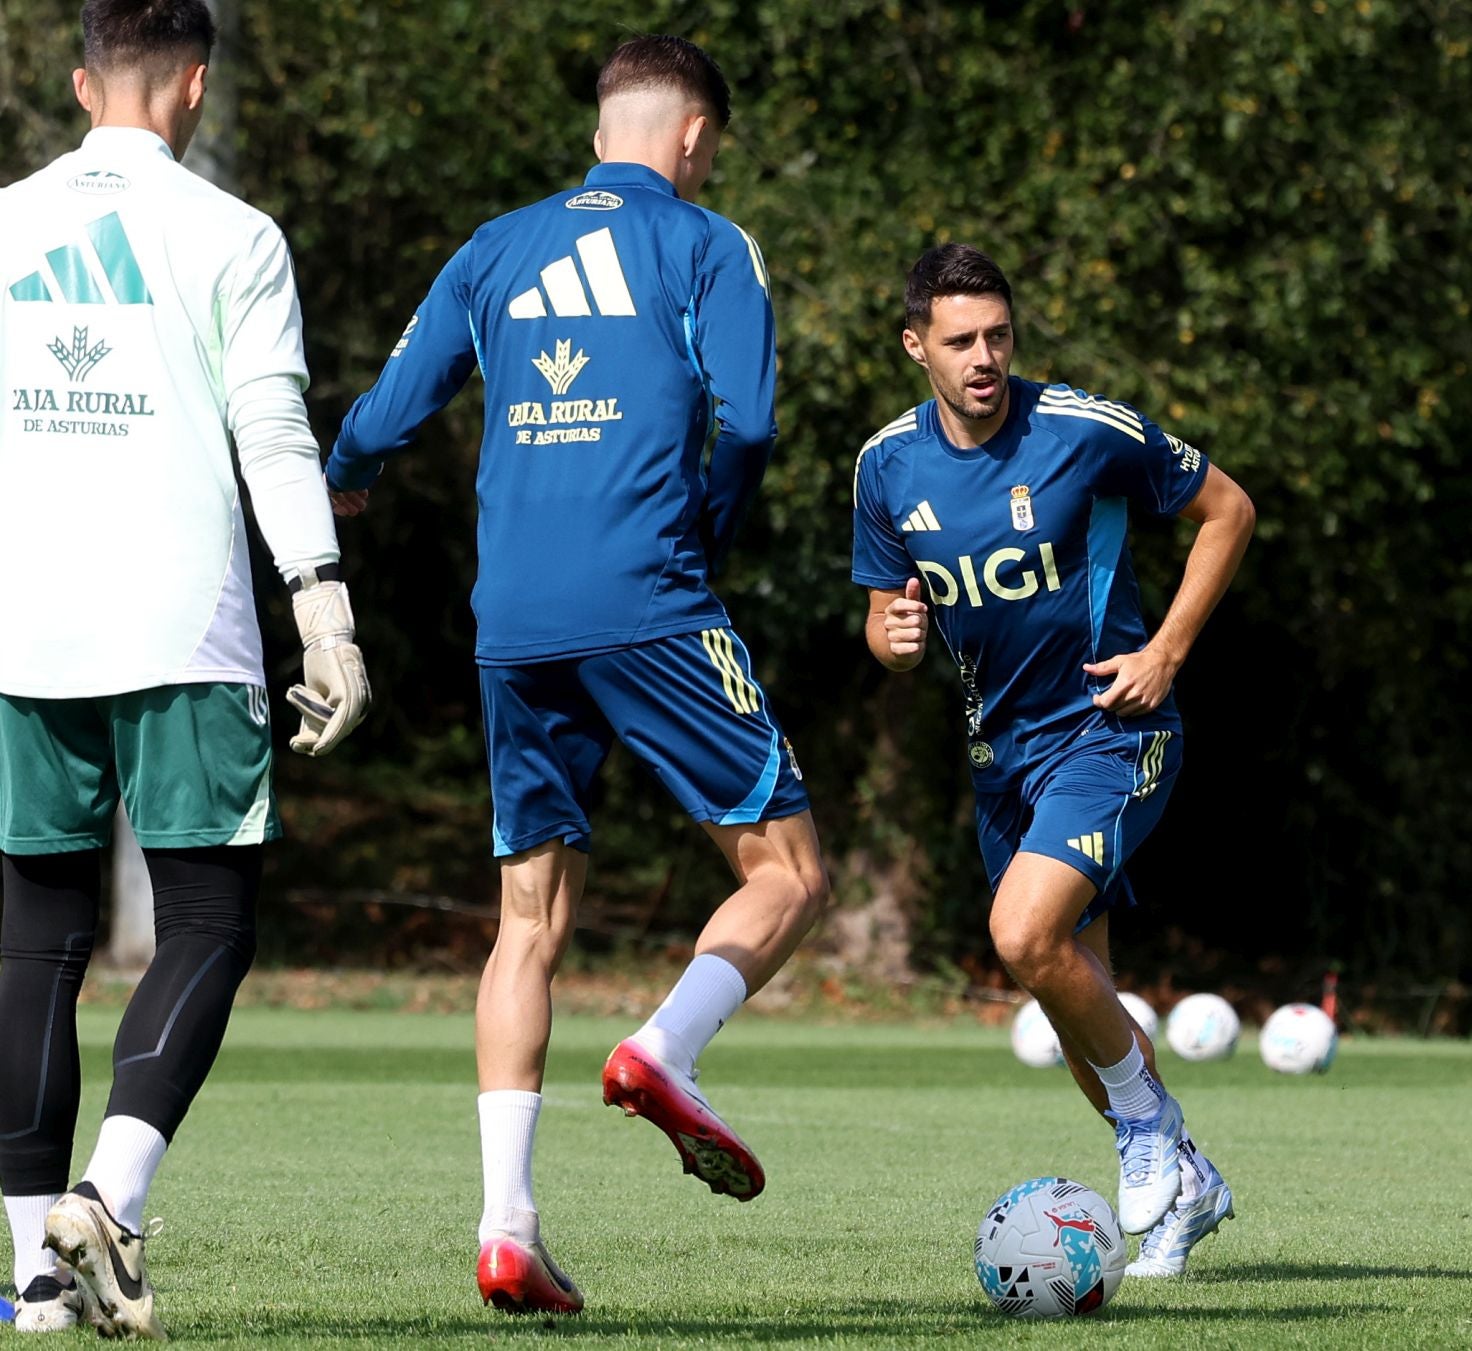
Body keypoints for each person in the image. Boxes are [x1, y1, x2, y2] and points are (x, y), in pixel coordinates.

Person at [326, 34, 829, 1316]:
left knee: (528, 917)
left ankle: (507, 1230)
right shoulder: (708, 243)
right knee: (791, 872)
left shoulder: (495, 246)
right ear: (697, 137)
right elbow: (755, 420)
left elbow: (385, 410)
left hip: (513, 620)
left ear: (606, 125)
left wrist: (350, 476)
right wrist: (706, 529)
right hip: (649, 600)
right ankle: (665, 1048)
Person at [0, 0, 372, 1337]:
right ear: (196, 88)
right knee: (209, 920)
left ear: (85, 79)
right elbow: (271, 424)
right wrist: (322, 608)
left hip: (23, 631)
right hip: (184, 628)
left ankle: (35, 1285)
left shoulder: (2, 220)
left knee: (35, 936)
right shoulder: (234, 234)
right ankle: (107, 1193)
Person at [851, 244, 1256, 1277]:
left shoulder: (1085, 429)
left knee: (1022, 932)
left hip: (1109, 730)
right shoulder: (885, 465)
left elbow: (1229, 511)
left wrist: (1165, 650)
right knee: (1079, 997)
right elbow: (883, 615)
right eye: (960, 340)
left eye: (998, 335)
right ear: (916, 347)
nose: (984, 357)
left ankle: (1150, 1124)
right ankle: (1190, 1184)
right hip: (1002, 759)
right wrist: (887, 639)